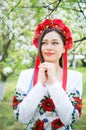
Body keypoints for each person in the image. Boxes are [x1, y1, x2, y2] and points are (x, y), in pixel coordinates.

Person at [12, 19, 82, 130]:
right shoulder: (25, 75)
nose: (48, 47)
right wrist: (40, 84)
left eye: (55, 43)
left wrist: (54, 82)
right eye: (44, 43)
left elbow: (70, 118)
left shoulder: (75, 77)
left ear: (64, 48)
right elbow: (21, 117)